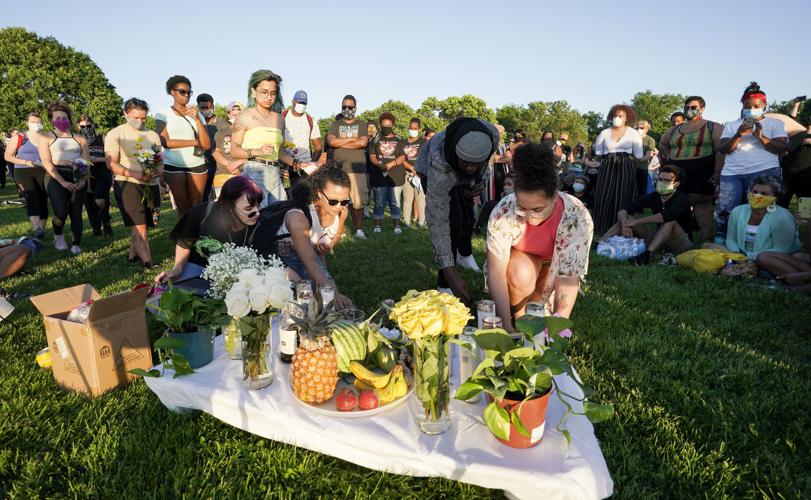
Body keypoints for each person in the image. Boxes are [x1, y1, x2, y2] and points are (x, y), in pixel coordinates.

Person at [486, 142, 593, 330]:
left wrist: (557, 327)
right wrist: (505, 325)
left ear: (555, 197)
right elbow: (496, 272)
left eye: (537, 209)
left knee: (545, 318)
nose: (528, 216)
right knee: (521, 274)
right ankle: (519, 317)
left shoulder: (577, 215)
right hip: (519, 265)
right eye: (521, 208)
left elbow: (568, 276)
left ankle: (534, 310)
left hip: (554, 267)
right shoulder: (503, 211)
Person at [416, 117, 500, 301]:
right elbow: (438, 221)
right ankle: (444, 284)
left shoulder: (493, 135)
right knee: (453, 222)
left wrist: (479, 181)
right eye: (466, 163)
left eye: (475, 163)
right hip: (431, 171)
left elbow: (486, 163)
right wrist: (450, 273)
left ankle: (465, 254)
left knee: (468, 217)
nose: (470, 168)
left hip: (457, 170)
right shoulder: (439, 164)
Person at [254, 165, 353, 309]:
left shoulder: (341, 211)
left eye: (344, 201)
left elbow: (334, 236)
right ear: (319, 193)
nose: (338, 206)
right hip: (280, 259)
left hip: (309, 258)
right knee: (304, 303)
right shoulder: (298, 217)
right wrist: (332, 292)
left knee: (337, 306)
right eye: (333, 201)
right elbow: (310, 261)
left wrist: (329, 245)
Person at [716, 82, 788, 244]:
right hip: (732, 173)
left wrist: (761, 137)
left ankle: (758, 240)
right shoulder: (732, 126)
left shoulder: (775, 124)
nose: (751, 109)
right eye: (747, 106)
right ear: (742, 107)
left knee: (758, 207)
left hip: (764, 171)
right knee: (726, 209)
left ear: (764, 106)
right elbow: (723, 149)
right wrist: (738, 134)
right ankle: (722, 240)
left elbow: (781, 148)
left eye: (756, 106)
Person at [157, 176, 264, 283]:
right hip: (198, 266)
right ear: (230, 207)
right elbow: (185, 242)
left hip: (236, 274)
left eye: (258, 206)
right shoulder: (201, 212)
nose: (257, 213)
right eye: (249, 208)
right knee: (170, 288)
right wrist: (177, 268)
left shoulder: (261, 225)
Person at [106, 98, 164, 268]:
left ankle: (132, 255)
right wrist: (135, 174)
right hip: (128, 183)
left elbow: (159, 160)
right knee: (140, 225)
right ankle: (149, 262)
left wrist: (157, 171)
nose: (140, 121)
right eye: (136, 118)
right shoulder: (116, 133)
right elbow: (111, 163)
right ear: (125, 114)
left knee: (150, 221)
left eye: (144, 118)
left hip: (151, 184)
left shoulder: (153, 135)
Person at [702, 176, 804, 271]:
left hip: (770, 257)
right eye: (754, 192)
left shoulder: (783, 217)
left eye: (764, 193)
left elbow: (782, 249)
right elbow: (731, 239)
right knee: (706, 246)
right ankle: (743, 265)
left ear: (775, 198)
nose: (757, 196)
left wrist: (749, 257)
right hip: (740, 253)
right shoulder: (738, 211)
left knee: (787, 258)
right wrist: (737, 255)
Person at [658, 96, 723, 242]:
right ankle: (682, 238)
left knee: (702, 204)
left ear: (702, 109)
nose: (689, 110)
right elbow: (662, 143)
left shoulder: (713, 126)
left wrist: (717, 171)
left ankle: (707, 239)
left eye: (693, 107)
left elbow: (720, 150)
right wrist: (670, 157)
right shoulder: (676, 129)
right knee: (678, 203)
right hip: (678, 172)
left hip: (702, 170)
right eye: (686, 107)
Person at [602, 165, 695, 265]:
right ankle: (601, 243)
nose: (662, 182)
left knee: (669, 222)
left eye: (666, 180)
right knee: (626, 217)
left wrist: (635, 222)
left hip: (680, 241)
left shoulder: (682, 199)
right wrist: (625, 224)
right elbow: (623, 210)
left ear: (676, 184)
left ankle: (647, 255)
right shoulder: (654, 196)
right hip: (659, 237)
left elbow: (666, 216)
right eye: (660, 179)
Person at [231, 70, 297, 207]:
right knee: (258, 215)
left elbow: (281, 153)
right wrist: (257, 151)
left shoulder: (279, 119)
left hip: (275, 173)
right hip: (254, 172)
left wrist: (299, 164)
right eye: (264, 92)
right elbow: (234, 150)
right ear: (253, 92)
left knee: (280, 214)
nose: (269, 97)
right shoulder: (244, 116)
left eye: (273, 93)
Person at [36, 102, 91, 254]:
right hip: (55, 176)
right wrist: (62, 182)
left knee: (76, 212)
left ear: (69, 119)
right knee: (61, 210)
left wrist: (82, 179)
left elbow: (86, 161)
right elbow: (46, 162)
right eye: (58, 117)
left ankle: (76, 243)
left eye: (64, 117)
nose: (61, 120)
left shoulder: (80, 138)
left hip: (77, 174)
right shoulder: (45, 137)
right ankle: (58, 236)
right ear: (51, 120)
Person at [155, 75, 212, 216]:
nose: (186, 95)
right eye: (182, 92)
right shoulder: (163, 114)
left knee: (197, 204)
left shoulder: (198, 115)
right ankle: (184, 231)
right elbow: (165, 142)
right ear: (172, 92)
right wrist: (195, 142)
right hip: (173, 165)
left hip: (197, 164)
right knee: (182, 205)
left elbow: (206, 144)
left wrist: (197, 119)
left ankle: (196, 230)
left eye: (189, 92)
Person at [592, 104, 644, 234]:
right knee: (604, 194)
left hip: (626, 165)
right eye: (615, 115)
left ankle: (623, 226)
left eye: (621, 116)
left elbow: (638, 155)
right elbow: (599, 153)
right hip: (608, 164)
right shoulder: (604, 133)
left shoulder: (633, 133)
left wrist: (627, 164)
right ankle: (603, 226)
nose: (617, 117)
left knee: (623, 194)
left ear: (626, 118)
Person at [327, 95, 370, 238]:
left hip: (357, 170)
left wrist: (341, 142)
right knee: (338, 201)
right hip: (339, 169)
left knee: (358, 202)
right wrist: (352, 139)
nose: (347, 109)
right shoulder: (335, 125)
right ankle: (337, 230)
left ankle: (359, 231)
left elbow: (363, 143)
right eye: (344, 107)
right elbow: (332, 142)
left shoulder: (361, 124)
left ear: (355, 108)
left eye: (350, 107)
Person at [4, 113, 48, 237]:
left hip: (42, 170)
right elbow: (8, 156)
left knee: (43, 198)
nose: (36, 124)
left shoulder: (46, 137)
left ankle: (42, 229)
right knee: (31, 197)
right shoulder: (20, 137)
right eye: (33, 122)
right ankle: (37, 228)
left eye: (38, 122)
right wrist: (27, 162)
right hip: (23, 171)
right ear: (27, 123)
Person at [368, 112, 405, 234]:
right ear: (380, 124)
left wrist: (391, 164)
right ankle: (377, 225)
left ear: (393, 125)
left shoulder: (399, 139)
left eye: (389, 125)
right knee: (379, 201)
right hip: (379, 176)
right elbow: (372, 156)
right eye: (384, 124)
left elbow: (403, 156)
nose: (386, 127)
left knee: (395, 202)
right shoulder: (376, 139)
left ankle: (397, 225)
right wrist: (379, 164)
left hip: (396, 176)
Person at [77, 115, 113, 237]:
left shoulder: (101, 138)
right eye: (83, 126)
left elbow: (110, 157)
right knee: (89, 202)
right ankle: (96, 228)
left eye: (88, 126)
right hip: (84, 172)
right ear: (78, 126)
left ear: (93, 125)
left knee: (100, 200)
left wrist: (95, 159)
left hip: (102, 171)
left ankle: (105, 220)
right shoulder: (76, 139)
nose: (86, 128)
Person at [282, 90, 323, 187]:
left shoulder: (310, 120)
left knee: (303, 194)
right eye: (299, 102)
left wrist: (311, 166)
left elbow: (318, 147)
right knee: (284, 194)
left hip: (303, 167)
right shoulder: (282, 117)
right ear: (293, 102)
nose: (301, 105)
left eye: (304, 103)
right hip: (285, 166)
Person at [208, 101, 245, 198]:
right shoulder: (221, 131)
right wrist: (228, 164)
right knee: (223, 204)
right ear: (228, 114)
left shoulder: (250, 132)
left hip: (245, 173)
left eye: (239, 110)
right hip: (222, 174)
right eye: (233, 110)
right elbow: (215, 151)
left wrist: (239, 162)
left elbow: (255, 153)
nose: (236, 112)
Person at [401, 118, 427, 227]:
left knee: (420, 199)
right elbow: (401, 158)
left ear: (419, 129)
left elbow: (426, 158)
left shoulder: (423, 142)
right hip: (407, 174)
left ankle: (421, 222)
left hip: (419, 175)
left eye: (415, 128)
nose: (413, 130)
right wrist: (410, 167)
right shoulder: (403, 142)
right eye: (411, 128)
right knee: (407, 199)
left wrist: (420, 171)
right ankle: (406, 222)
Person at [195, 93, 219, 201]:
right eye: (203, 108)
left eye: (209, 107)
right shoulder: (194, 124)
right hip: (202, 166)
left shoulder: (222, 124)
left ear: (213, 106)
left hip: (219, 167)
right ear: (198, 108)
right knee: (202, 199)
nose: (207, 110)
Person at [635, 120, 658, 196]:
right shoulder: (631, 138)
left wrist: (636, 161)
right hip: (630, 168)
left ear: (647, 129)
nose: (639, 129)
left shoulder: (650, 140)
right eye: (638, 128)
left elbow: (648, 155)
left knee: (641, 191)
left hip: (642, 168)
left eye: (642, 128)